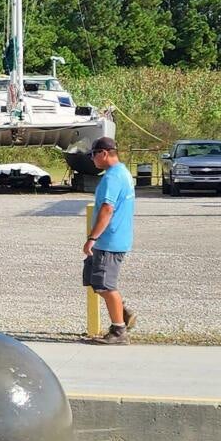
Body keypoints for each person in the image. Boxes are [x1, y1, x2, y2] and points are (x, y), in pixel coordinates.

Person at [81, 136, 137, 345]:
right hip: (114, 238)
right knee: (95, 281)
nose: (92, 159)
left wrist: (92, 237)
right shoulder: (122, 172)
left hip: (109, 240)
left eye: (93, 154)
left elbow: (107, 208)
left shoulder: (112, 178)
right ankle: (122, 312)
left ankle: (119, 330)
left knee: (105, 285)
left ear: (103, 153)